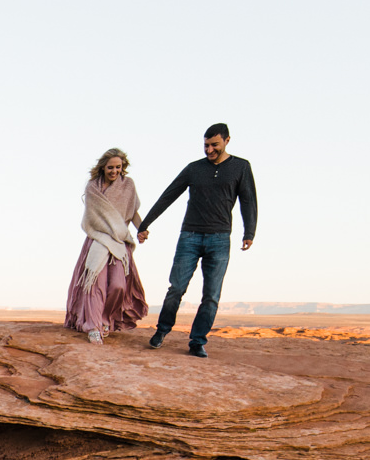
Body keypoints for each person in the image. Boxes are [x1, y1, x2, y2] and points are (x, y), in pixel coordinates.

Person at [138, 123, 258, 357]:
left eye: (215, 145)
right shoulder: (194, 169)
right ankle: (161, 331)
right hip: (190, 237)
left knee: (211, 296)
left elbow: (248, 201)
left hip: (220, 238)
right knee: (177, 288)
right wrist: (145, 224)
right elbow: (169, 195)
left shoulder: (241, 167)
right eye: (206, 145)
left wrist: (249, 232)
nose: (210, 149)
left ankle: (197, 341)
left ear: (227, 141)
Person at [63, 148, 148, 343]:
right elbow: (94, 217)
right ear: (103, 167)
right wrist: (109, 231)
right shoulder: (93, 187)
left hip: (119, 243)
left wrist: (141, 229)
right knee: (95, 284)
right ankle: (93, 326)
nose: (114, 171)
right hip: (99, 241)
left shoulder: (128, 186)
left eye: (118, 167)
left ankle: (105, 318)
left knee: (118, 286)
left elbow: (133, 212)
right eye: (110, 167)